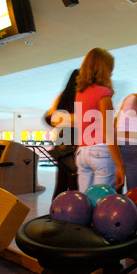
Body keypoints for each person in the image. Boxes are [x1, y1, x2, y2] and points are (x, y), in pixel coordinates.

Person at [75, 47, 125, 193]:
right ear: (105, 70)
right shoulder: (104, 93)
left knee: (85, 203)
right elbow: (108, 130)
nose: (111, 73)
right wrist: (120, 165)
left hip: (82, 152)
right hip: (101, 151)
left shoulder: (80, 93)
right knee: (102, 203)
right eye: (110, 70)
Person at [45, 69, 79, 202]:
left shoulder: (62, 96)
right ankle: (74, 215)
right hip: (74, 140)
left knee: (61, 182)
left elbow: (49, 118)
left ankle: (55, 213)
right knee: (74, 183)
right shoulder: (81, 95)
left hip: (61, 139)